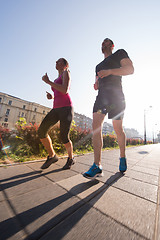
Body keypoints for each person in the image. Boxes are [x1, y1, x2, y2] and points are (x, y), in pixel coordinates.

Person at [83, 38, 134, 179]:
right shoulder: (98, 66)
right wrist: (96, 84)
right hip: (102, 99)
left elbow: (130, 70)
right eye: (102, 43)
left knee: (118, 129)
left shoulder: (119, 53)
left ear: (112, 45)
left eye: (106, 42)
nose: (103, 44)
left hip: (116, 97)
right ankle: (97, 165)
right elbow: (97, 82)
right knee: (96, 125)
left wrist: (110, 71)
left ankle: (122, 157)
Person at [38, 58, 75, 170]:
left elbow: (65, 90)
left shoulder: (66, 73)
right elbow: (59, 93)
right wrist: (52, 97)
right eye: (56, 61)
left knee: (64, 136)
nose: (56, 63)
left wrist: (48, 82)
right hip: (56, 108)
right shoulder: (56, 78)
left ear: (65, 65)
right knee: (41, 131)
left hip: (66, 108)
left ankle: (71, 158)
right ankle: (52, 156)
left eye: (59, 61)